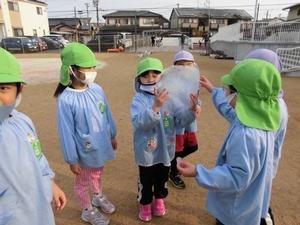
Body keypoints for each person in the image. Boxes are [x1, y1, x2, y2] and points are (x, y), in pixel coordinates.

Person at [177, 59, 283, 225]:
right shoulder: (264, 121)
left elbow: (236, 176)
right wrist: (213, 91)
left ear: (240, 96)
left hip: (236, 211)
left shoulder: (245, 135)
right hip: (251, 203)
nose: (225, 93)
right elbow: (229, 110)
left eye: (228, 90)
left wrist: (198, 172)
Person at [0, 47, 66, 225]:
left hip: (38, 210)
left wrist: (50, 184)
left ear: (19, 90)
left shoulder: (23, 121)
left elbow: (38, 157)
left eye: (3, 88)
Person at [54, 43, 117, 225]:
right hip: (84, 151)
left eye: (93, 66)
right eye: (87, 67)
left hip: (101, 144)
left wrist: (112, 134)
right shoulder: (66, 100)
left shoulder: (97, 89)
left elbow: (106, 113)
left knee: (98, 172)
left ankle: (97, 196)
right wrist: (72, 159)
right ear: (72, 70)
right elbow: (66, 132)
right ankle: (87, 210)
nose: (92, 70)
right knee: (82, 182)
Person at [131, 57, 198, 222]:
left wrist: (191, 110)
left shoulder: (171, 98)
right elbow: (138, 122)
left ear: (164, 77)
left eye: (155, 75)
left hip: (166, 151)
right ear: (138, 79)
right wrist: (155, 107)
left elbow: (180, 121)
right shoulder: (138, 100)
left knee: (162, 178)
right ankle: (145, 203)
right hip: (146, 152)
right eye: (145, 76)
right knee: (146, 180)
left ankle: (159, 199)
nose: (151, 79)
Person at [243, 48, 288, 225]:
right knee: (250, 194)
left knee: (258, 198)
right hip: (256, 163)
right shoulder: (264, 98)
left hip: (262, 165)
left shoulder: (275, 108)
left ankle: (264, 218)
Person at [169, 50, 201, 189]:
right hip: (178, 125)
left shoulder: (194, 82)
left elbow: (197, 100)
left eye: (188, 64)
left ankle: (173, 162)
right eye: (181, 65)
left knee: (193, 146)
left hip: (190, 123)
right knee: (177, 149)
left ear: (194, 65)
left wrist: (198, 106)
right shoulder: (171, 83)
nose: (185, 68)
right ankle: (173, 172)